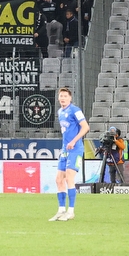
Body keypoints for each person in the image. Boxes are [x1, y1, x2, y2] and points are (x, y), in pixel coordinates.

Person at [49, 87, 89, 222]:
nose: (63, 98)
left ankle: (71, 211)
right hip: (65, 150)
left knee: (69, 178)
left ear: (70, 98)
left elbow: (85, 127)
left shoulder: (75, 110)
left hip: (76, 149)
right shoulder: (60, 111)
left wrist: (73, 141)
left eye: (65, 96)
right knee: (58, 179)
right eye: (61, 96)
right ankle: (61, 210)